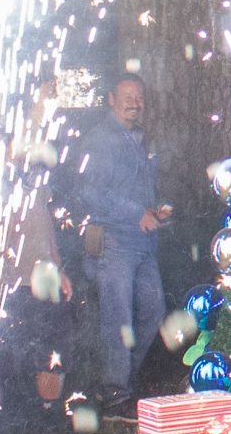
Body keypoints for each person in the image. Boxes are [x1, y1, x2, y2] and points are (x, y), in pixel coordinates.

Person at [57, 73, 169, 412]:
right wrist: (137, 213)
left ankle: (122, 382)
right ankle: (115, 390)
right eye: (127, 96)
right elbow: (89, 192)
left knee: (154, 309)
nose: (134, 102)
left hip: (142, 244)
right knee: (118, 318)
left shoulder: (139, 138)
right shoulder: (100, 139)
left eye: (139, 96)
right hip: (114, 243)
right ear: (110, 100)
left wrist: (155, 210)